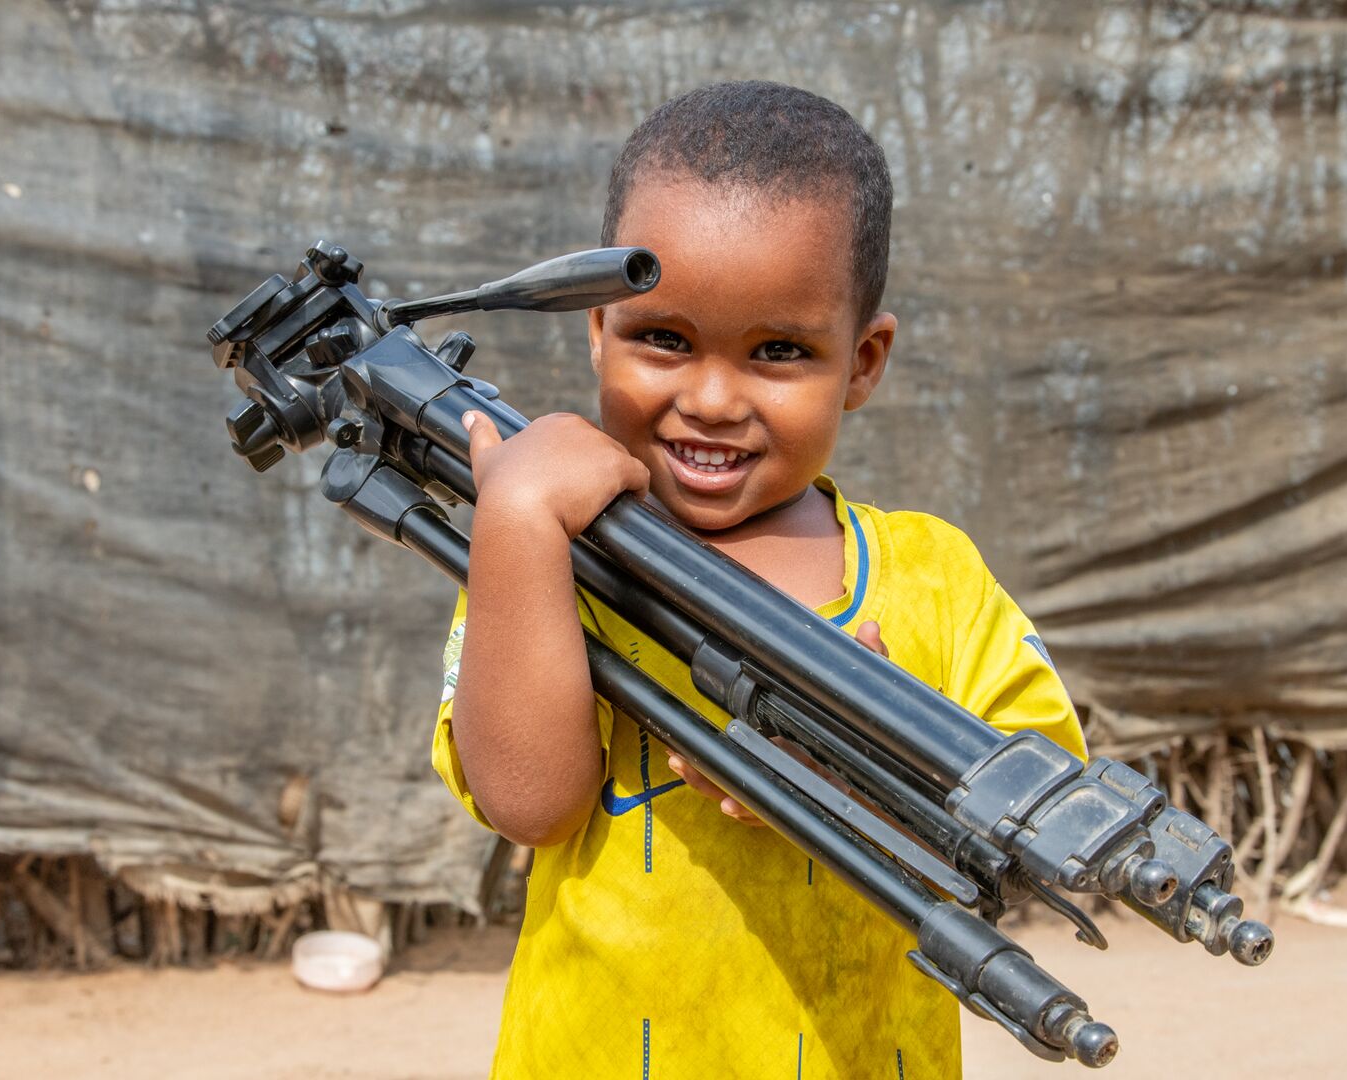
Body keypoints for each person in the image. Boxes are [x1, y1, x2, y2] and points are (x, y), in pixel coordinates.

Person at [431, 81, 1086, 1079]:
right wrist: (515, 520)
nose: (712, 399)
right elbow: (530, 804)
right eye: (664, 338)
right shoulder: (549, 555)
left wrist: (867, 781)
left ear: (861, 363)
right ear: (597, 330)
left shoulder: (933, 577)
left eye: (779, 352)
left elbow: (1047, 818)